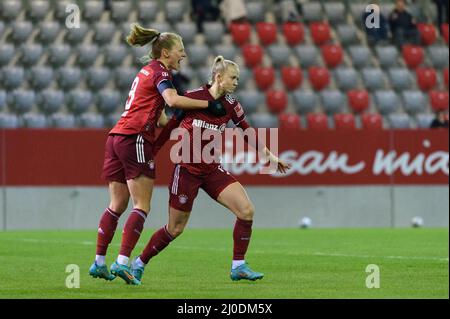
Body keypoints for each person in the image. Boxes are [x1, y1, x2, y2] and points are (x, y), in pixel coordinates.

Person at [126, 56, 291, 284]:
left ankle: (238, 265)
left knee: (246, 211)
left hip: (212, 170)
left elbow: (246, 131)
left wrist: (270, 156)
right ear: (219, 77)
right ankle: (139, 262)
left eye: (237, 78)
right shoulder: (192, 98)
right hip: (186, 170)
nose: (236, 82)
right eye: (233, 78)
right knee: (175, 229)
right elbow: (171, 126)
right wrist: (152, 151)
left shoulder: (231, 104)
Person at [88, 24, 226, 285]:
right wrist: (209, 104)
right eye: (180, 50)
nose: (183, 55)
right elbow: (173, 100)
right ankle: (122, 263)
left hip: (116, 137)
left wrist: (185, 117)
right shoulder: (161, 72)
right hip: (136, 138)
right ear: (165, 52)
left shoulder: (145, 71)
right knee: (142, 205)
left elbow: (162, 117)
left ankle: (99, 262)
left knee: (117, 205)